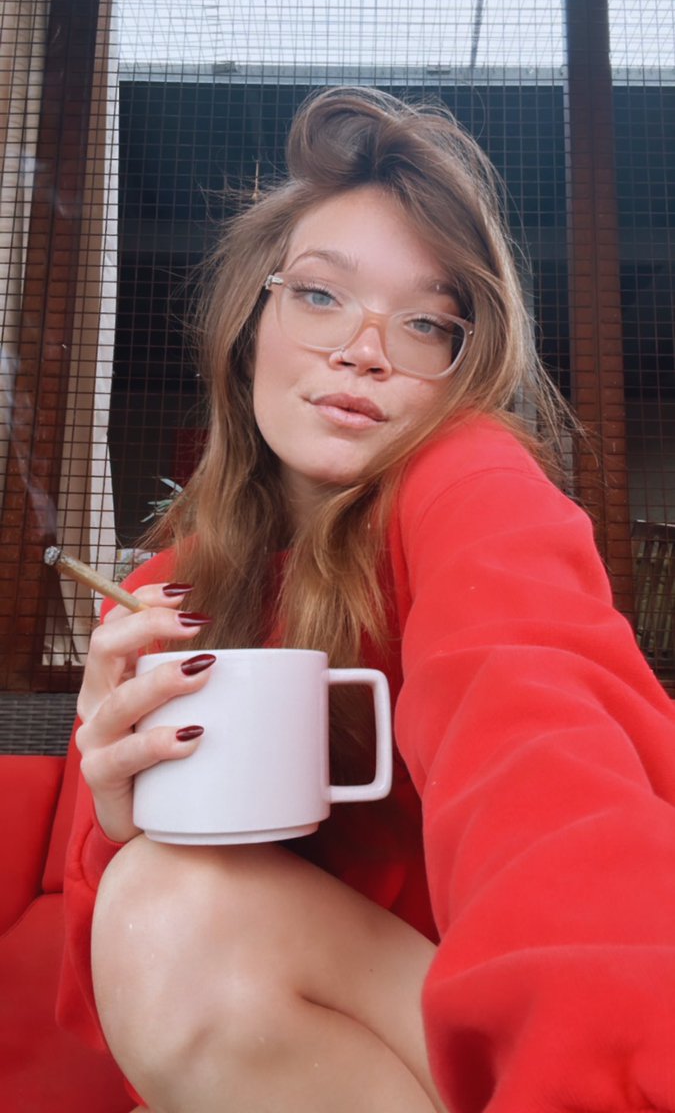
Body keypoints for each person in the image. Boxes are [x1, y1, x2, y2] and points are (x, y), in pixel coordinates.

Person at [58, 87, 675, 1113]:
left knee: (171, 917)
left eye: (427, 322)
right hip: (324, 1040)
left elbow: (543, 757)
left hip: (500, 1039)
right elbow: (113, 1009)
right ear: (251, 322)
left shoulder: (470, 484)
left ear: (462, 368)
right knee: (155, 903)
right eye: (319, 295)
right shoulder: (167, 591)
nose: (365, 348)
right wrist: (122, 826)